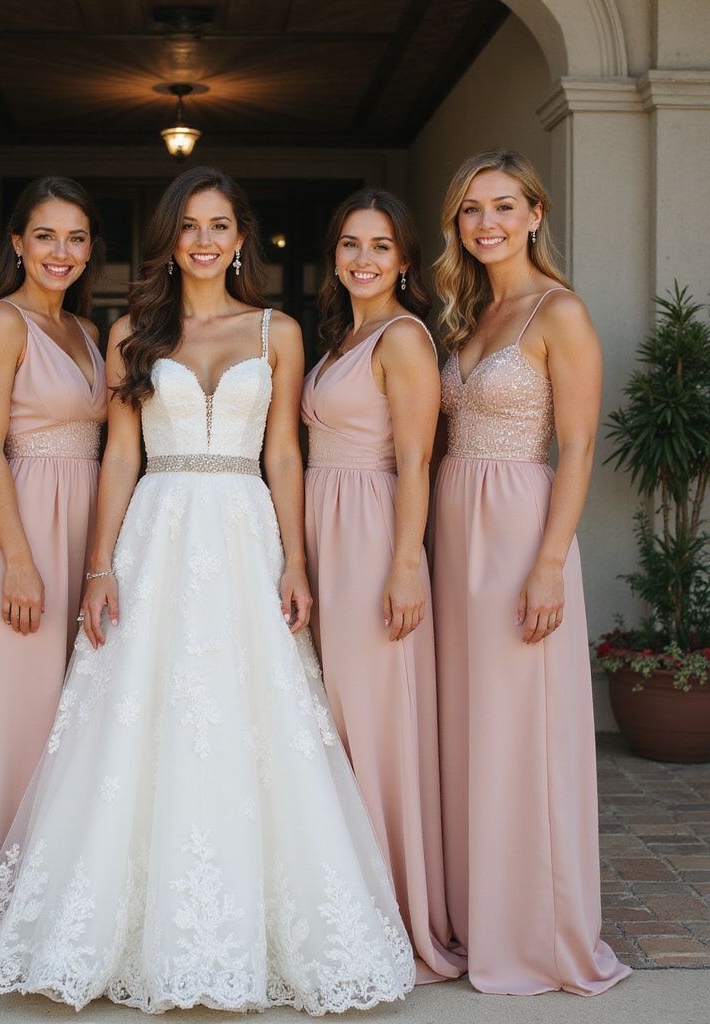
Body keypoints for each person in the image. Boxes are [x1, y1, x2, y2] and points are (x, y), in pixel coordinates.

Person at [0, 167, 415, 1014]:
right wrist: (99, 564)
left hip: (245, 531)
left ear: (241, 237)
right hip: (157, 530)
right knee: (145, 714)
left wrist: (294, 560)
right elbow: (120, 456)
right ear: (170, 241)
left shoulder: (276, 331)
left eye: (219, 225)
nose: (204, 240)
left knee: (255, 715)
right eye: (189, 227)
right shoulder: (133, 327)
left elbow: (284, 452)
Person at [431, 148, 631, 995]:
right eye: (471, 210)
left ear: (536, 214)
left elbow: (579, 445)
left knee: (525, 732)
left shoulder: (559, 312)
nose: (487, 224)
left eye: (504, 207)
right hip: (453, 529)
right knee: (470, 730)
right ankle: (480, 918)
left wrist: (550, 563)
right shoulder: (467, 314)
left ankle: (540, 933)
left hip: (520, 529)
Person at [302, 189, 464, 985]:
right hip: (324, 532)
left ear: (406, 261)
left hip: (369, 531)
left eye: (380, 247)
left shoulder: (403, 338)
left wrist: (406, 561)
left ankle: (396, 912)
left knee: (374, 722)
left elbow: (415, 459)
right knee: (332, 719)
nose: (363, 259)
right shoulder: (341, 339)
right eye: (349, 245)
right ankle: (345, 900)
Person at [0, 178, 106, 977]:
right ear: (16, 242)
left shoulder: (85, 331)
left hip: (82, 526)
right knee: (20, 725)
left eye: (76, 238)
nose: (60, 253)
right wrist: (17, 557)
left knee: (71, 726)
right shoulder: (0, 322)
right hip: (21, 531)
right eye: (45, 236)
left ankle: (55, 910)